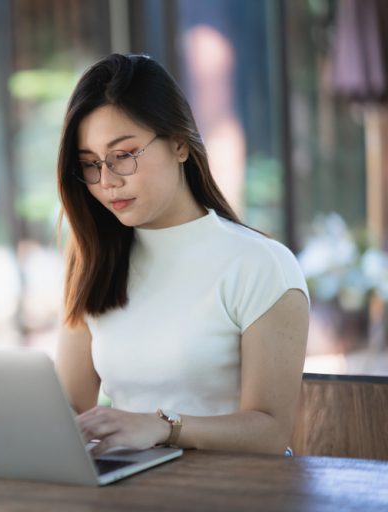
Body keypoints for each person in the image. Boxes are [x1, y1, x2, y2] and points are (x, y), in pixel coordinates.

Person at [54, 54, 309, 456]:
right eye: (90, 164)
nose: (107, 182)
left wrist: (161, 428)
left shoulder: (260, 264)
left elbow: (270, 431)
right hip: (130, 487)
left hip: (239, 490)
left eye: (124, 155)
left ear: (179, 144)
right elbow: (68, 409)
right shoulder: (94, 261)